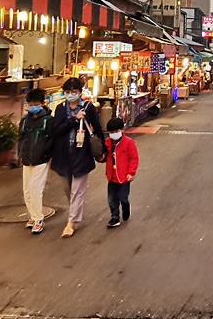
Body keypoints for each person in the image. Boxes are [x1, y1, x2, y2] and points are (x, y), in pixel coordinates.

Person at [51, 77, 104, 238]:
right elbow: (56, 130)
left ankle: (71, 222)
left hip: (82, 153)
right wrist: (74, 120)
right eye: (67, 92)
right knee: (68, 188)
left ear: (80, 92)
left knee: (77, 190)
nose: (71, 95)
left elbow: (98, 128)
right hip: (63, 154)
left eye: (74, 92)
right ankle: (75, 210)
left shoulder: (88, 107)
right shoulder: (60, 108)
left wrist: (103, 149)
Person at [18, 88, 55, 235]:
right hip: (27, 159)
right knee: (27, 189)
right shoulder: (24, 121)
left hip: (41, 159)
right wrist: (21, 154)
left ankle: (39, 219)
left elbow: (52, 139)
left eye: (36, 103)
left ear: (43, 103)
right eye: (30, 103)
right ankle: (33, 216)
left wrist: (46, 153)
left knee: (35, 188)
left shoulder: (48, 121)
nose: (32, 106)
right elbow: (20, 138)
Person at [104, 117, 139, 228]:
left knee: (123, 197)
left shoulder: (128, 143)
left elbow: (134, 158)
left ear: (122, 130)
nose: (114, 134)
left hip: (124, 177)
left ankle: (125, 207)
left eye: (116, 131)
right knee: (111, 199)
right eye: (111, 132)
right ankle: (115, 217)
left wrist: (131, 172)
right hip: (112, 177)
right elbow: (103, 157)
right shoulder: (107, 143)